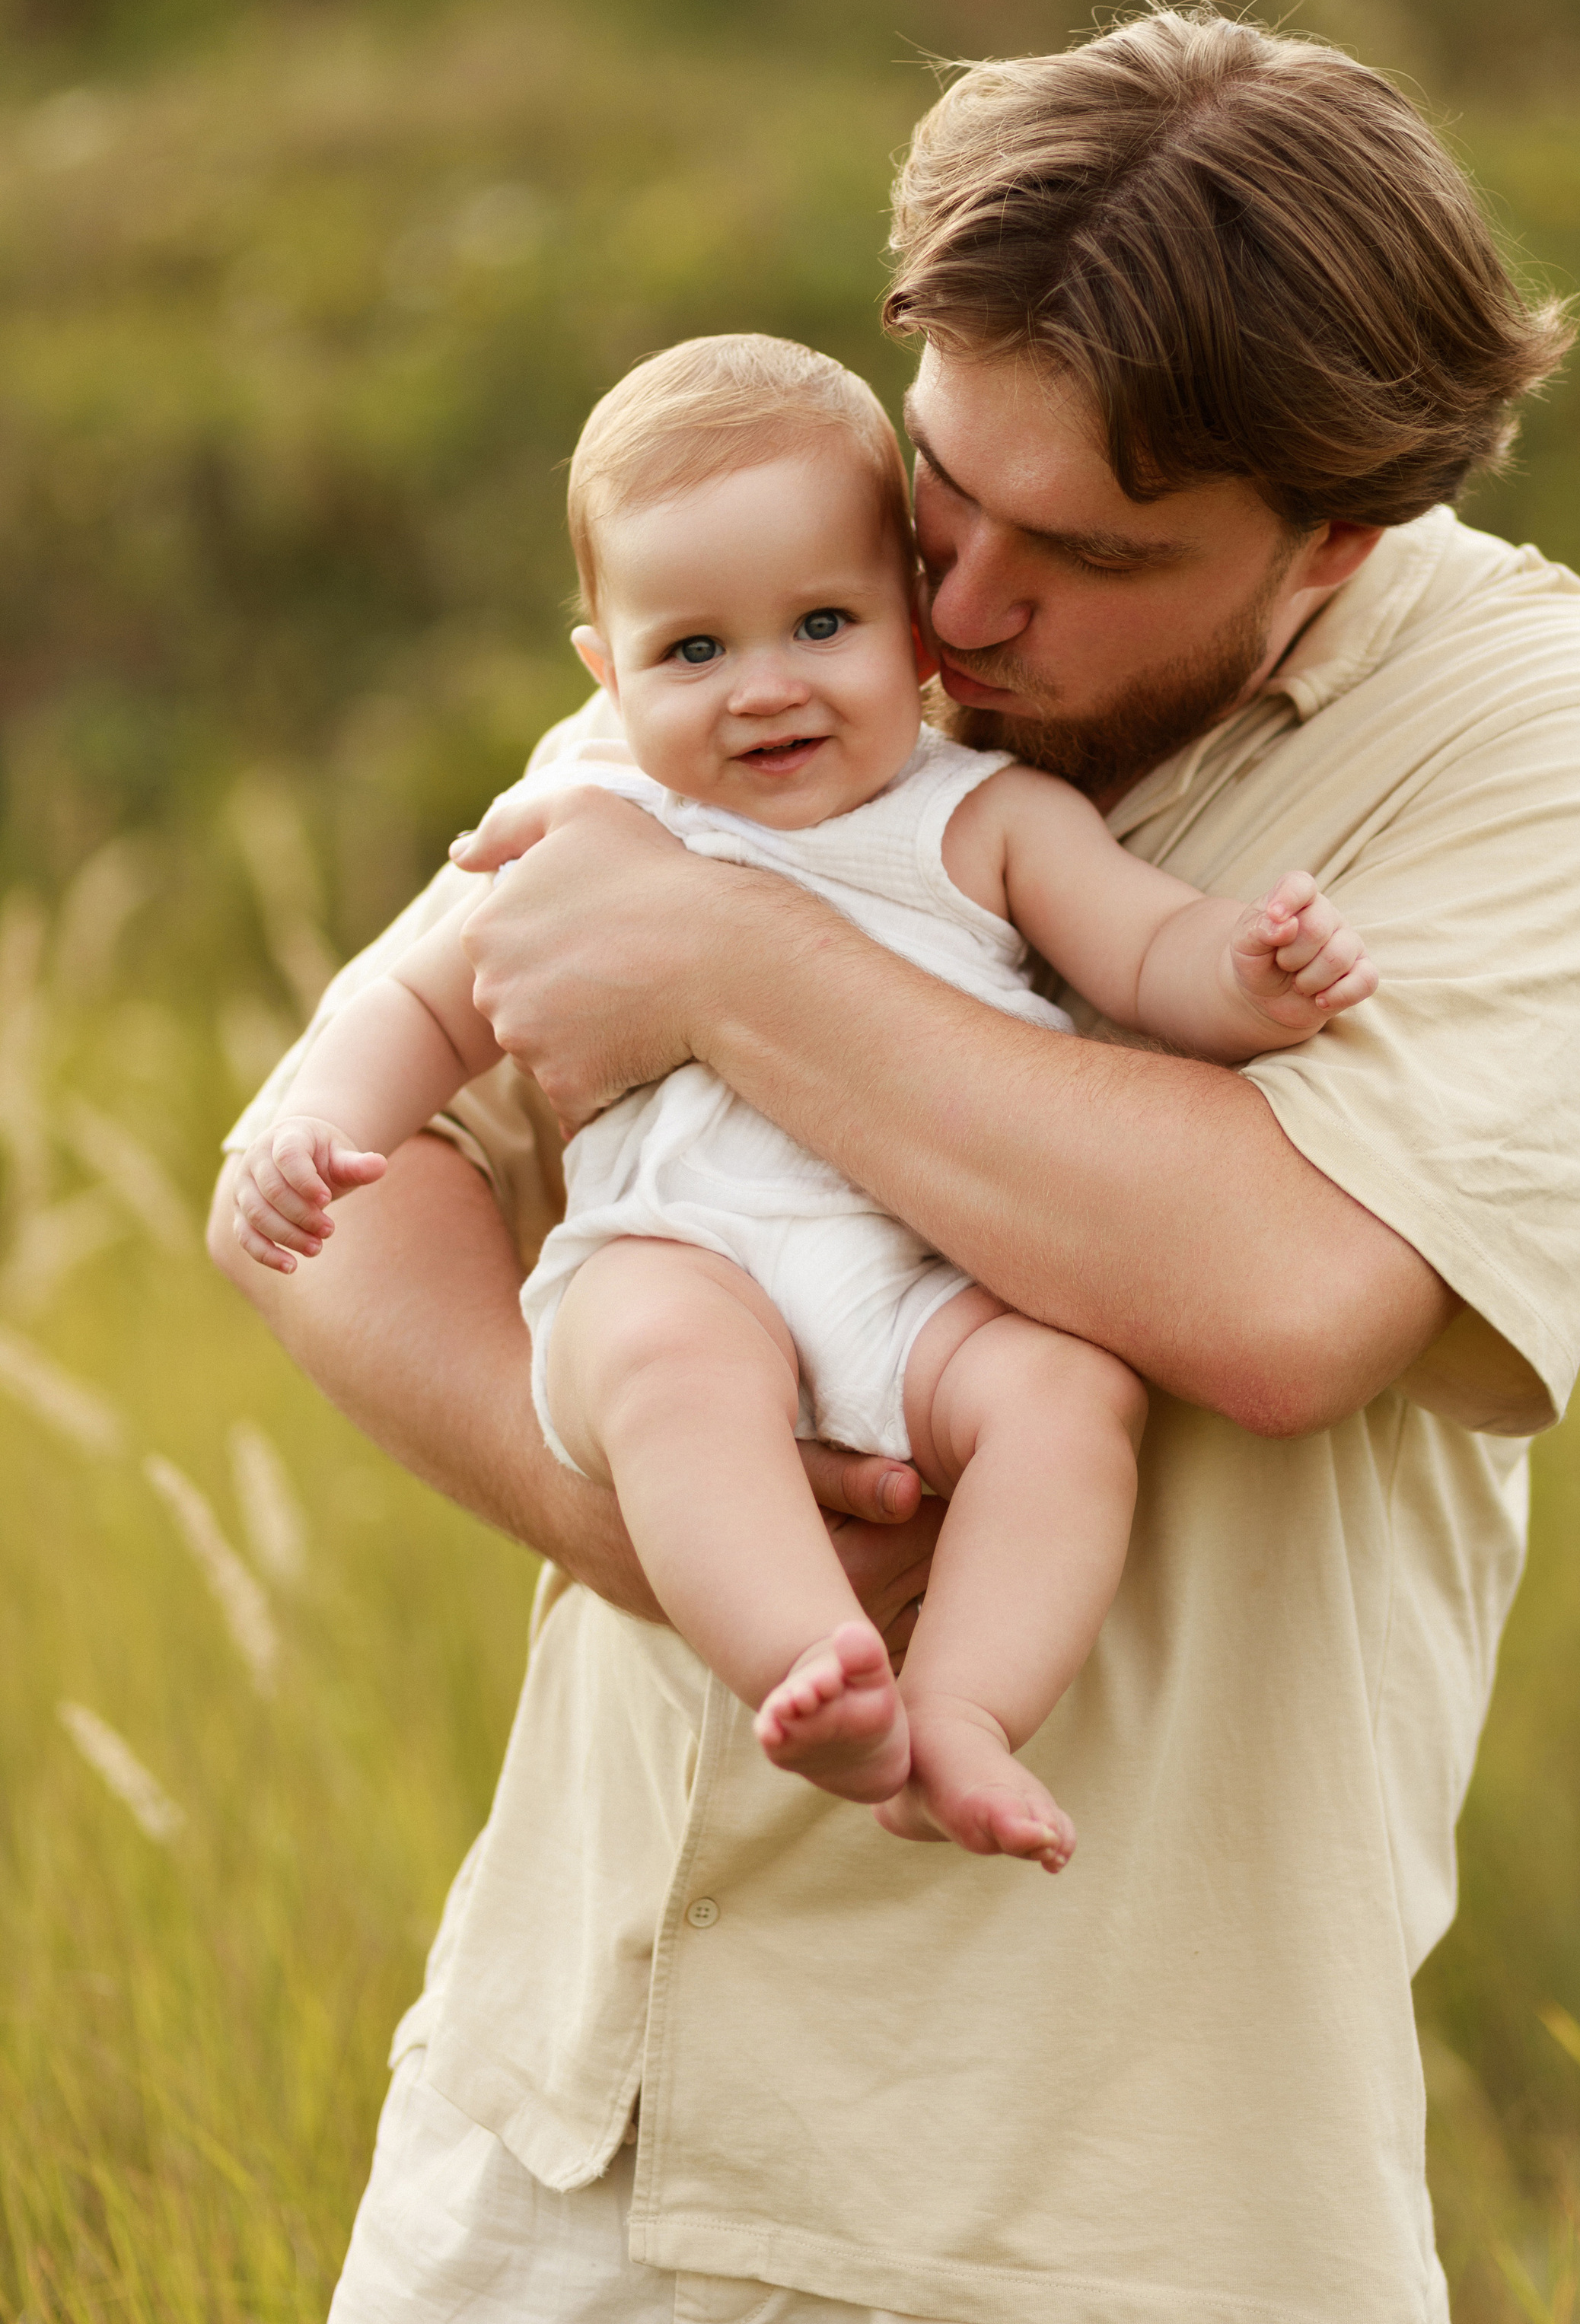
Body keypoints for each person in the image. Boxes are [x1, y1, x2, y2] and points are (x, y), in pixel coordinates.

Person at [210, 7, 1580, 2323]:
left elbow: (1296, 1298)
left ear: (1340, 531)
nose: (960, 608)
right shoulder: (768, 637)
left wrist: (722, 959)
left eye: (1089, 552)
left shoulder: (1557, 746)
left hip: (1109, 2194)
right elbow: (353, 1154)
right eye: (947, 491)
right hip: (574, 2132)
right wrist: (659, 1515)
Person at [225, 332, 1375, 1870]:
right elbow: (422, 1000)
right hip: (671, 1251)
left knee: (1063, 1400)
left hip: (913, 1287)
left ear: (916, 631)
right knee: (671, 1373)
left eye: (820, 624)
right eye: (690, 652)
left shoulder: (982, 821)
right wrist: (320, 1129)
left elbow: (1149, 946)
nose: (763, 689)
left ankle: (960, 1708)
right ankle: (807, 1663)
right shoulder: (591, 814)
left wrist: (1253, 970)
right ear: (604, 673)